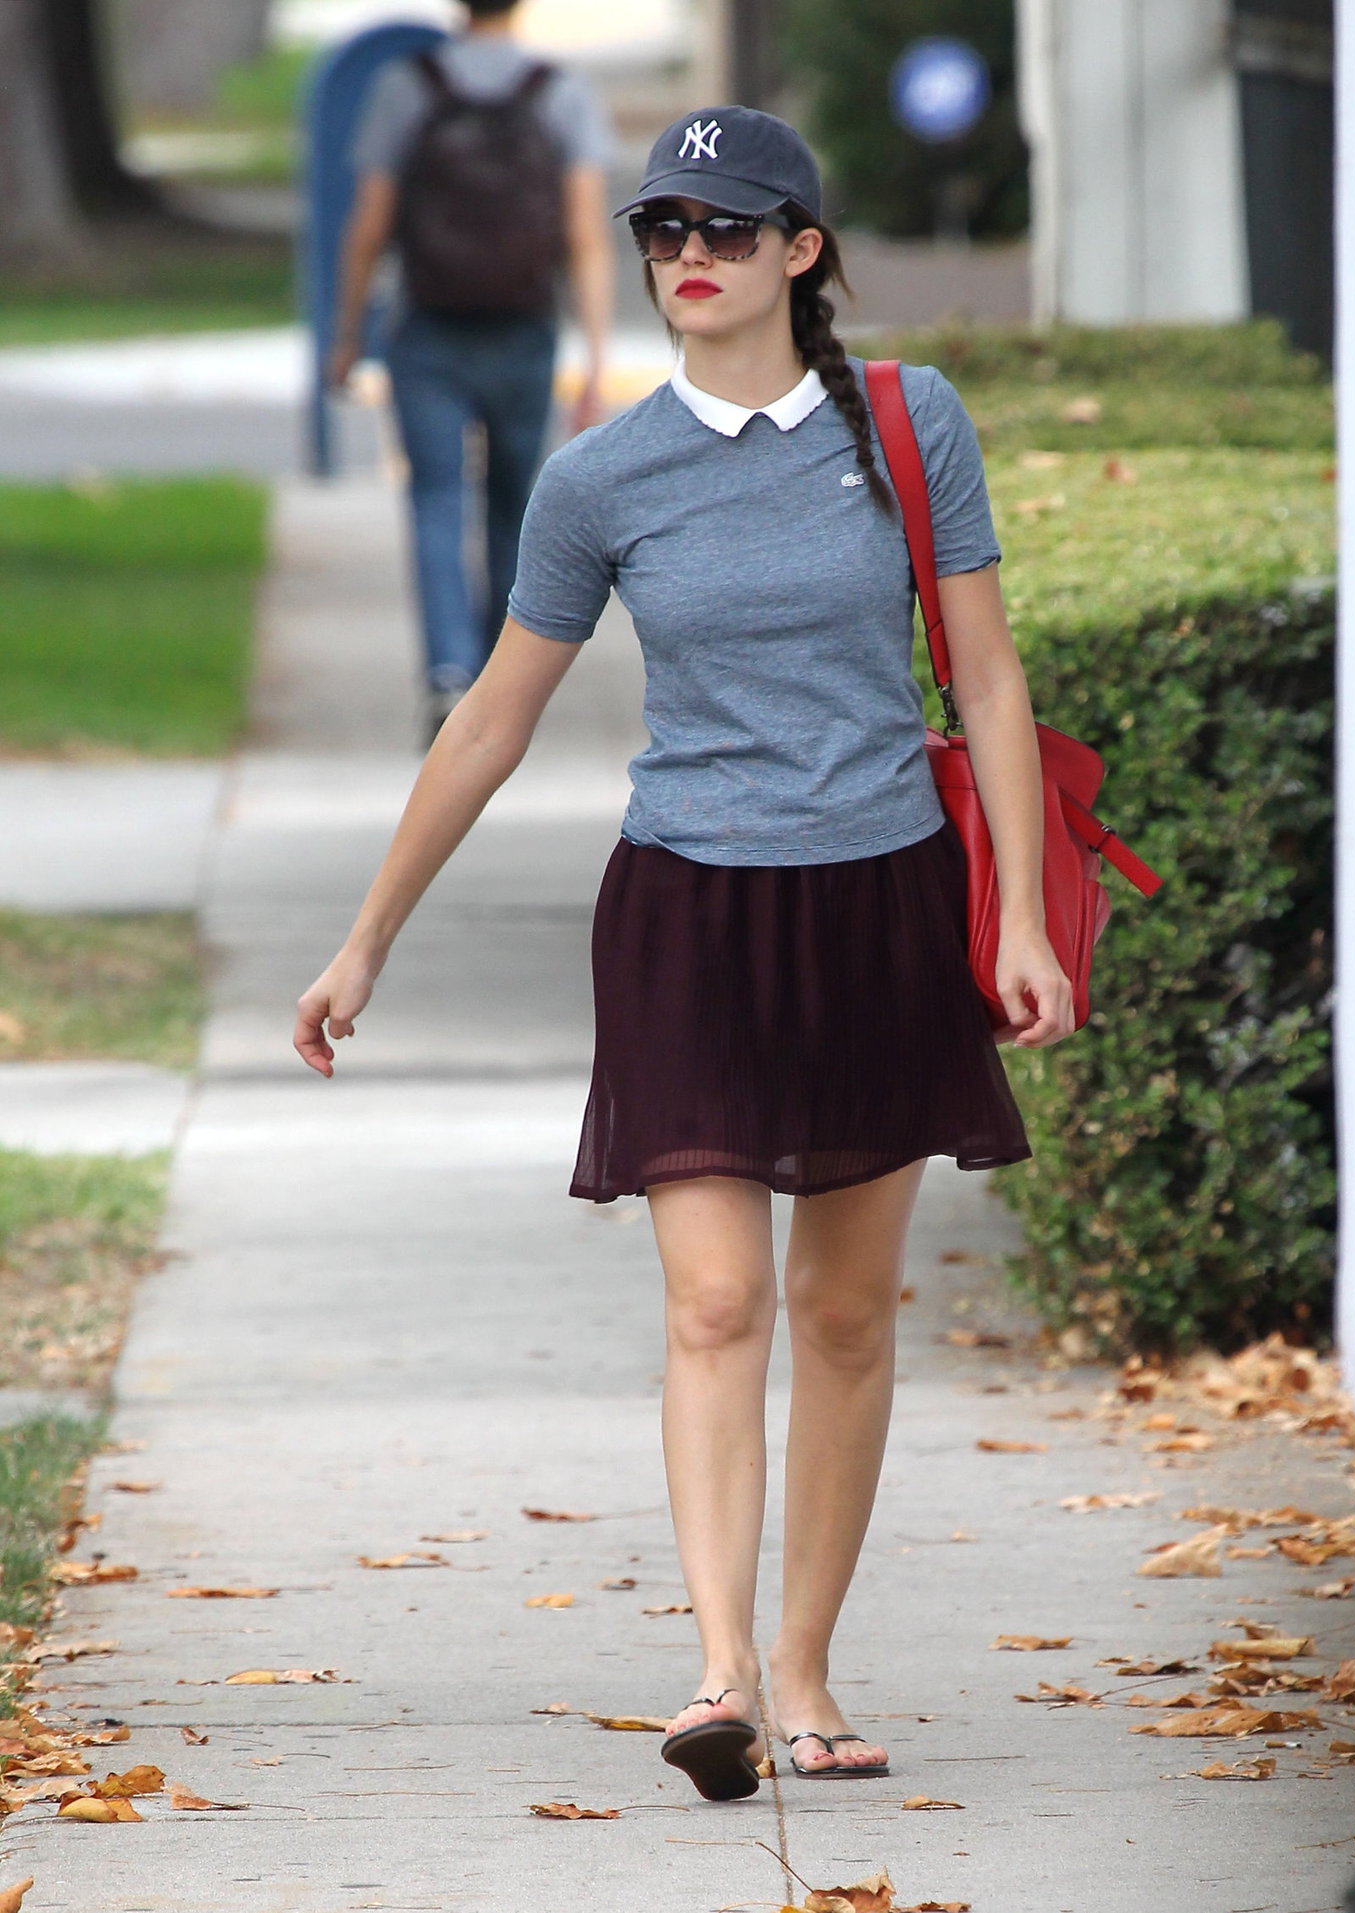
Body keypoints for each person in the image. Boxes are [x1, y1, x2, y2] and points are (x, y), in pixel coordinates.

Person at [293, 106, 1071, 1800]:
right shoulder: (600, 478)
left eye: (724, 222)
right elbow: (495, 717)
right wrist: (365, 939)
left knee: (846, 1315)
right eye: (660, 227)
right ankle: (717, 1668)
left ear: (803, 249)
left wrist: (1012, 911)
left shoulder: (903, 419)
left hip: (877, 900)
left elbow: (989, 678)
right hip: (694, 909)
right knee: (715, 1298)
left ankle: (804, 1668)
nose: (684, 252)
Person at [329, 0, 617, 742]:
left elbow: (369, 223)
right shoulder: (559, 90)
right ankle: (497, 682)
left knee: (433, 498)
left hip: (427, 327)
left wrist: (346, 335)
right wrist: (594, 355)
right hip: (524, 329)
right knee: (515, 503)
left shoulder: (407, 85)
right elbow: (586, 235)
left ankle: (446, 675)